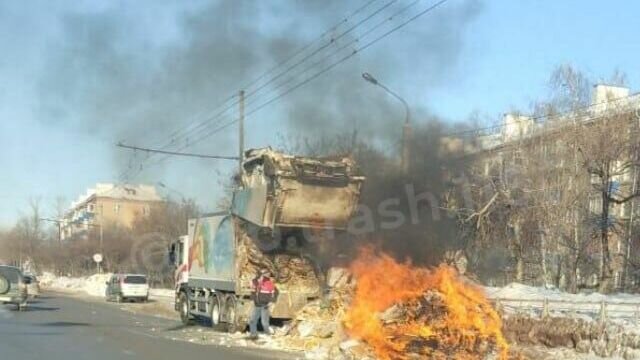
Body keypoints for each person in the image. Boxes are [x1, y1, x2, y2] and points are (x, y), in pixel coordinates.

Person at [248, 268, 278, 340]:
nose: (267, 275)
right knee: (252, 320)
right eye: (264, 274)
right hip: (257, 305)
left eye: (266, 274)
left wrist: (271, 302)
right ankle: (253, 334)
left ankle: (268, 335)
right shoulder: (254, 282)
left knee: (264, 322)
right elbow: (253, 292)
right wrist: (252, 300)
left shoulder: (269, 283)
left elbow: (275, 293)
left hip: (265, 305)